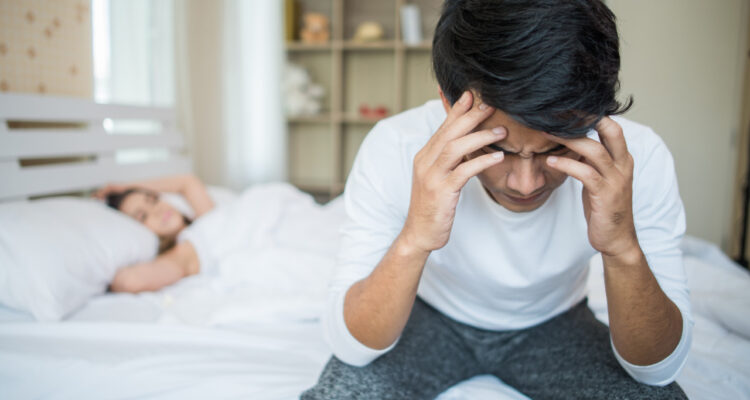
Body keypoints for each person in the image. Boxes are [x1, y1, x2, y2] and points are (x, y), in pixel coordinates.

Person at [302, 0, 691, 399]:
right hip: (428, 318)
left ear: (592, 116)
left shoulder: (636, 158)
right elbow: (351, 346)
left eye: (555, 149)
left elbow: (657, 371)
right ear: (449, 104)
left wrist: (622, 248)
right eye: (499, 149)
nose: (525, 185)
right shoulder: (396, 145)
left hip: (557, 323)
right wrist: (415, 239)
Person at [94, 174, 214, 293]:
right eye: (143, 216)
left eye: (153, 200)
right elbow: (128, 282)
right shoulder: (183, 253)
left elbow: (187, 182)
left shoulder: (207, 219)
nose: (157, 210)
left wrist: (125, 187)